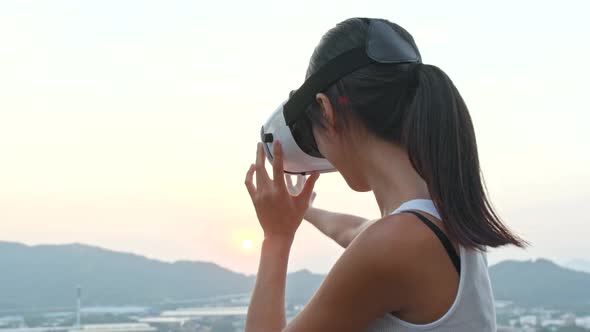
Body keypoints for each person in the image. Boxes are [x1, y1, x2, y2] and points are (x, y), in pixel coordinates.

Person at [244, 17, 525, 332]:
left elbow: (369, 241)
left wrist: (277, 237)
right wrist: (306, 211)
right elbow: (353, 231)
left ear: (326, 110)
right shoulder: (443, 220)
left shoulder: (393, 245)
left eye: (314, 133)